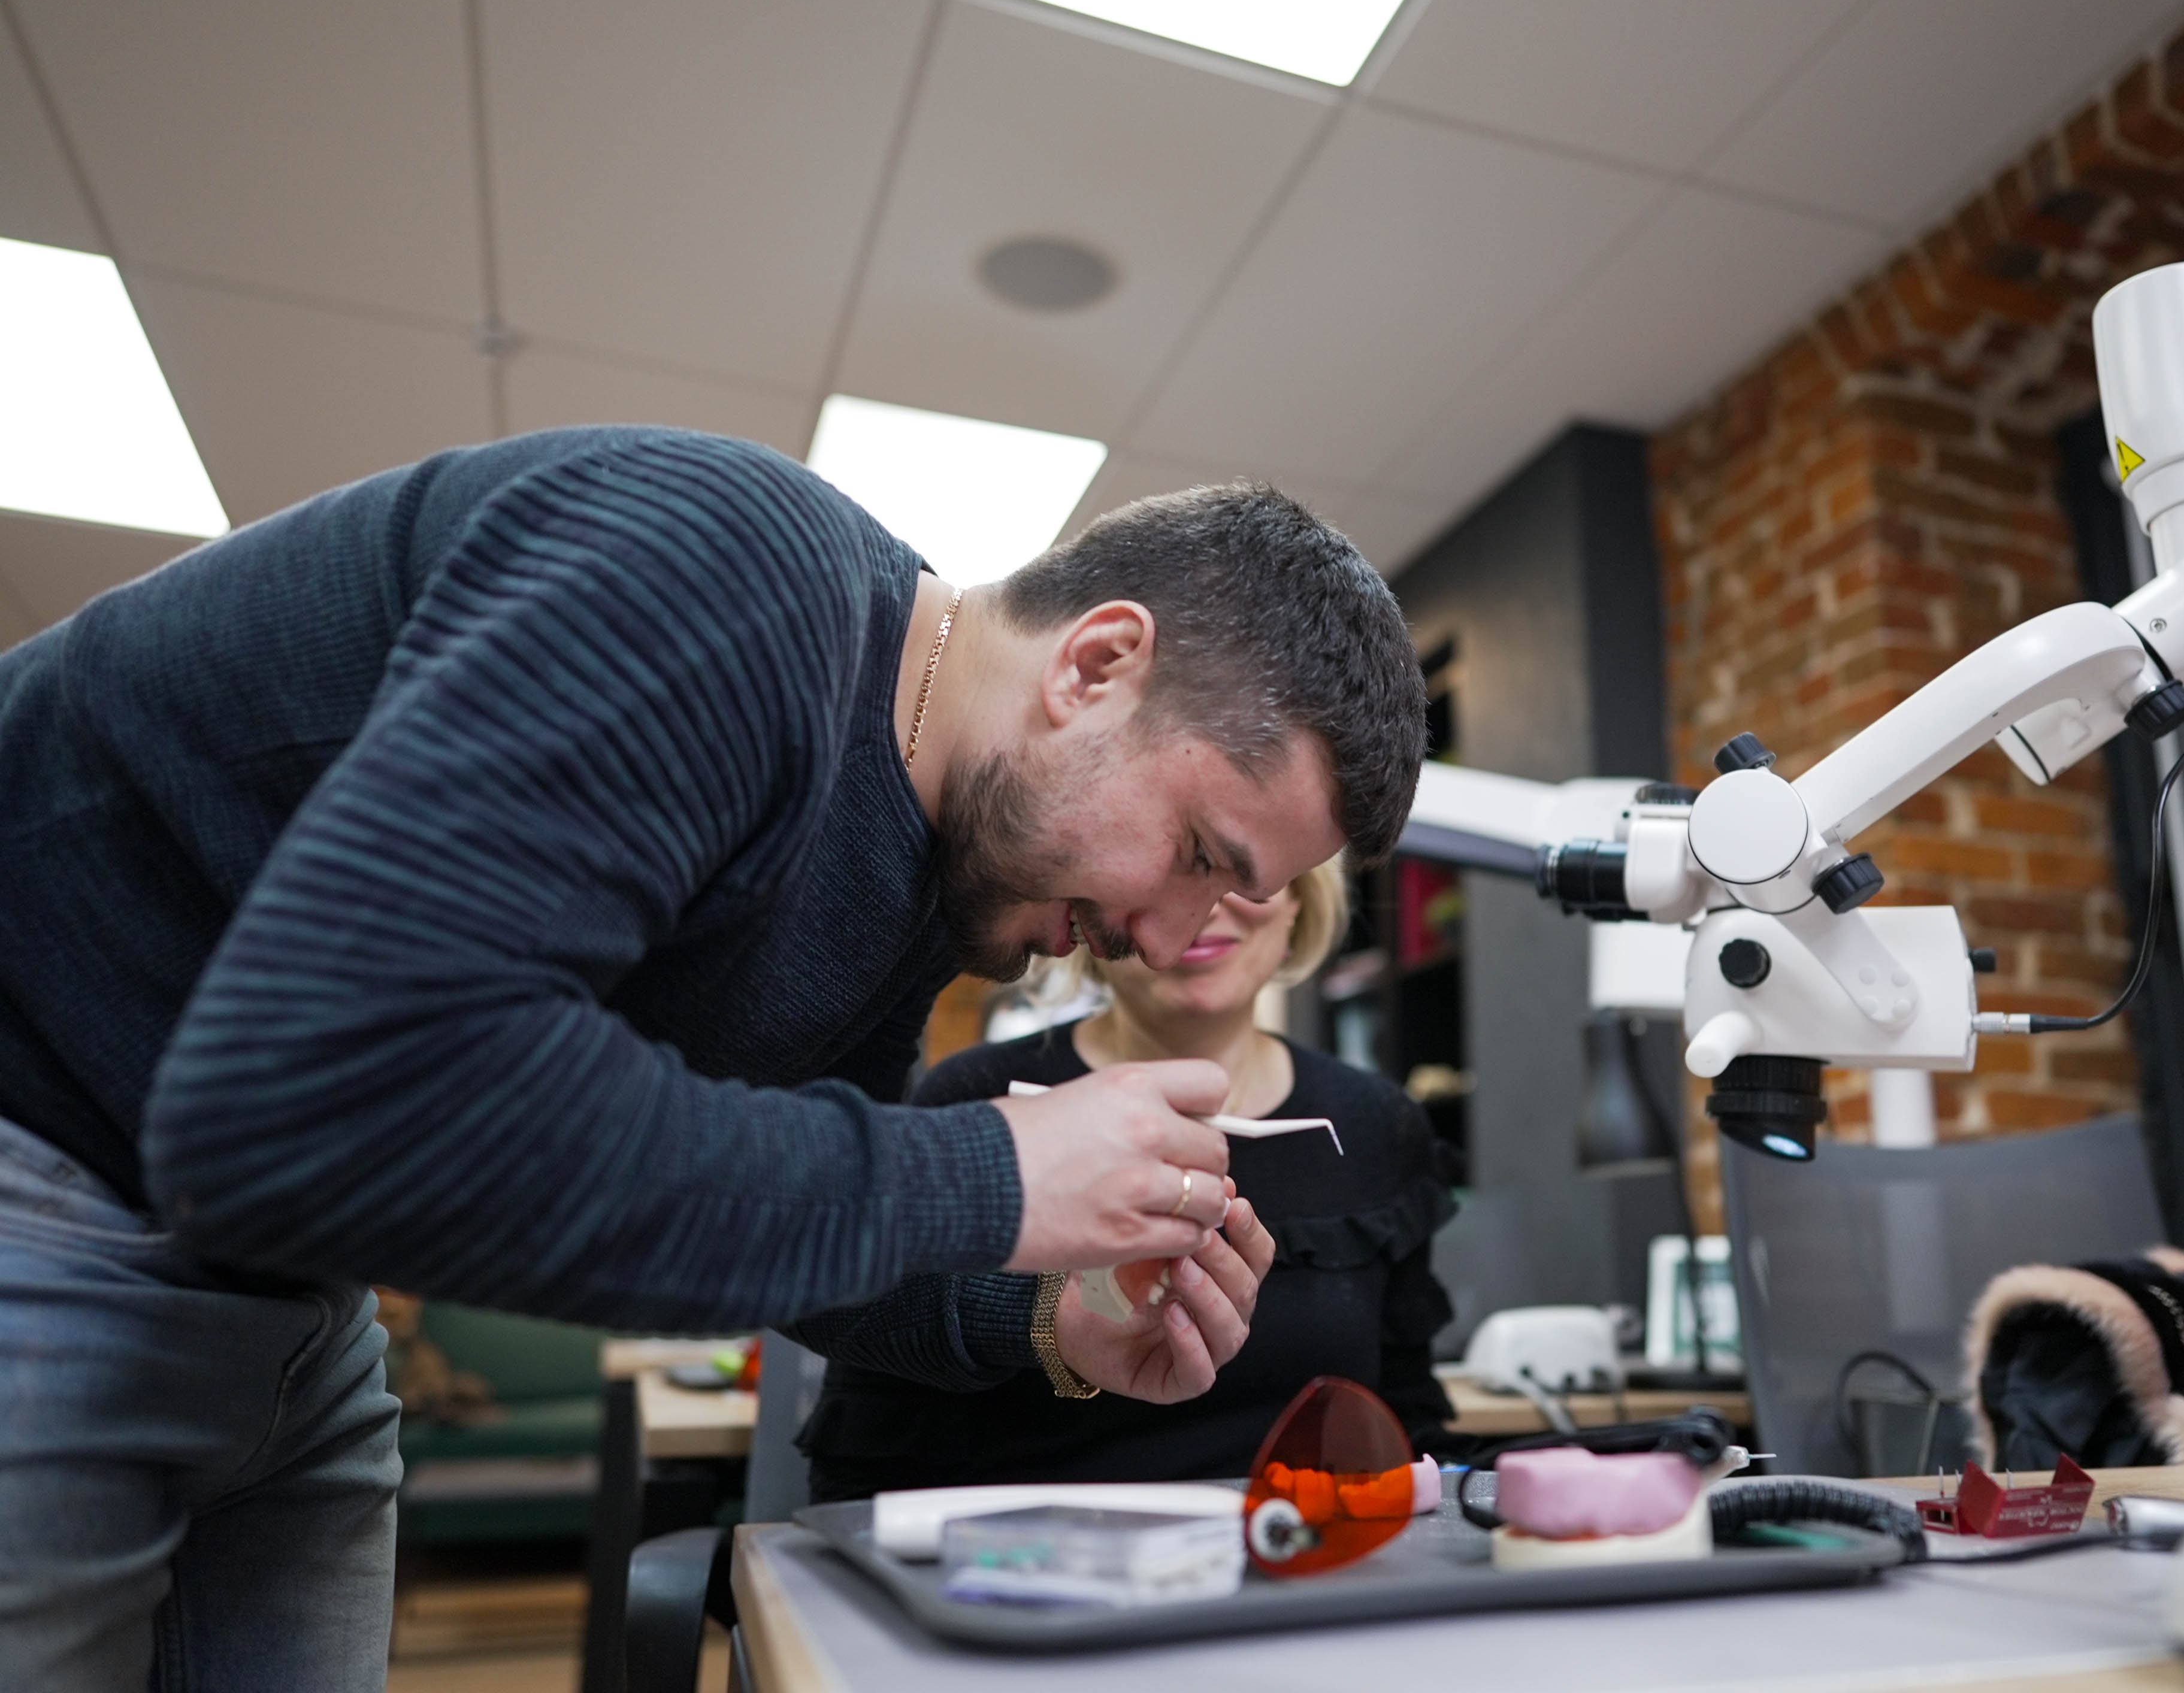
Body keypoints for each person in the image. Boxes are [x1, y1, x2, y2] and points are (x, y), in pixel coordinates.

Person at [0, 426, 1426, 1689]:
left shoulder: (922, 869)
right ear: (1096, 665)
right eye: (1197, 854)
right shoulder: (719, 574)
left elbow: (800, 1234)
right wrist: (987, 1170)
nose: (1163, 938)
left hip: (285, 1308)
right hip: (44, 1174)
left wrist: (1048, 1319)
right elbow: (308, 1097)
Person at [795, 859, 1465, 1500]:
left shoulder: (1375, 1126)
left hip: (1296, 1555)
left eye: (1243, 873)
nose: (1206, 905)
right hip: (1026, 1561)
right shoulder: (983, 1098)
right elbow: (868, 1432)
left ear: (1298, 899)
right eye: (1173, 867)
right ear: (1086, 912)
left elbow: (1404, 1425)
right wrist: (1048, 1323)